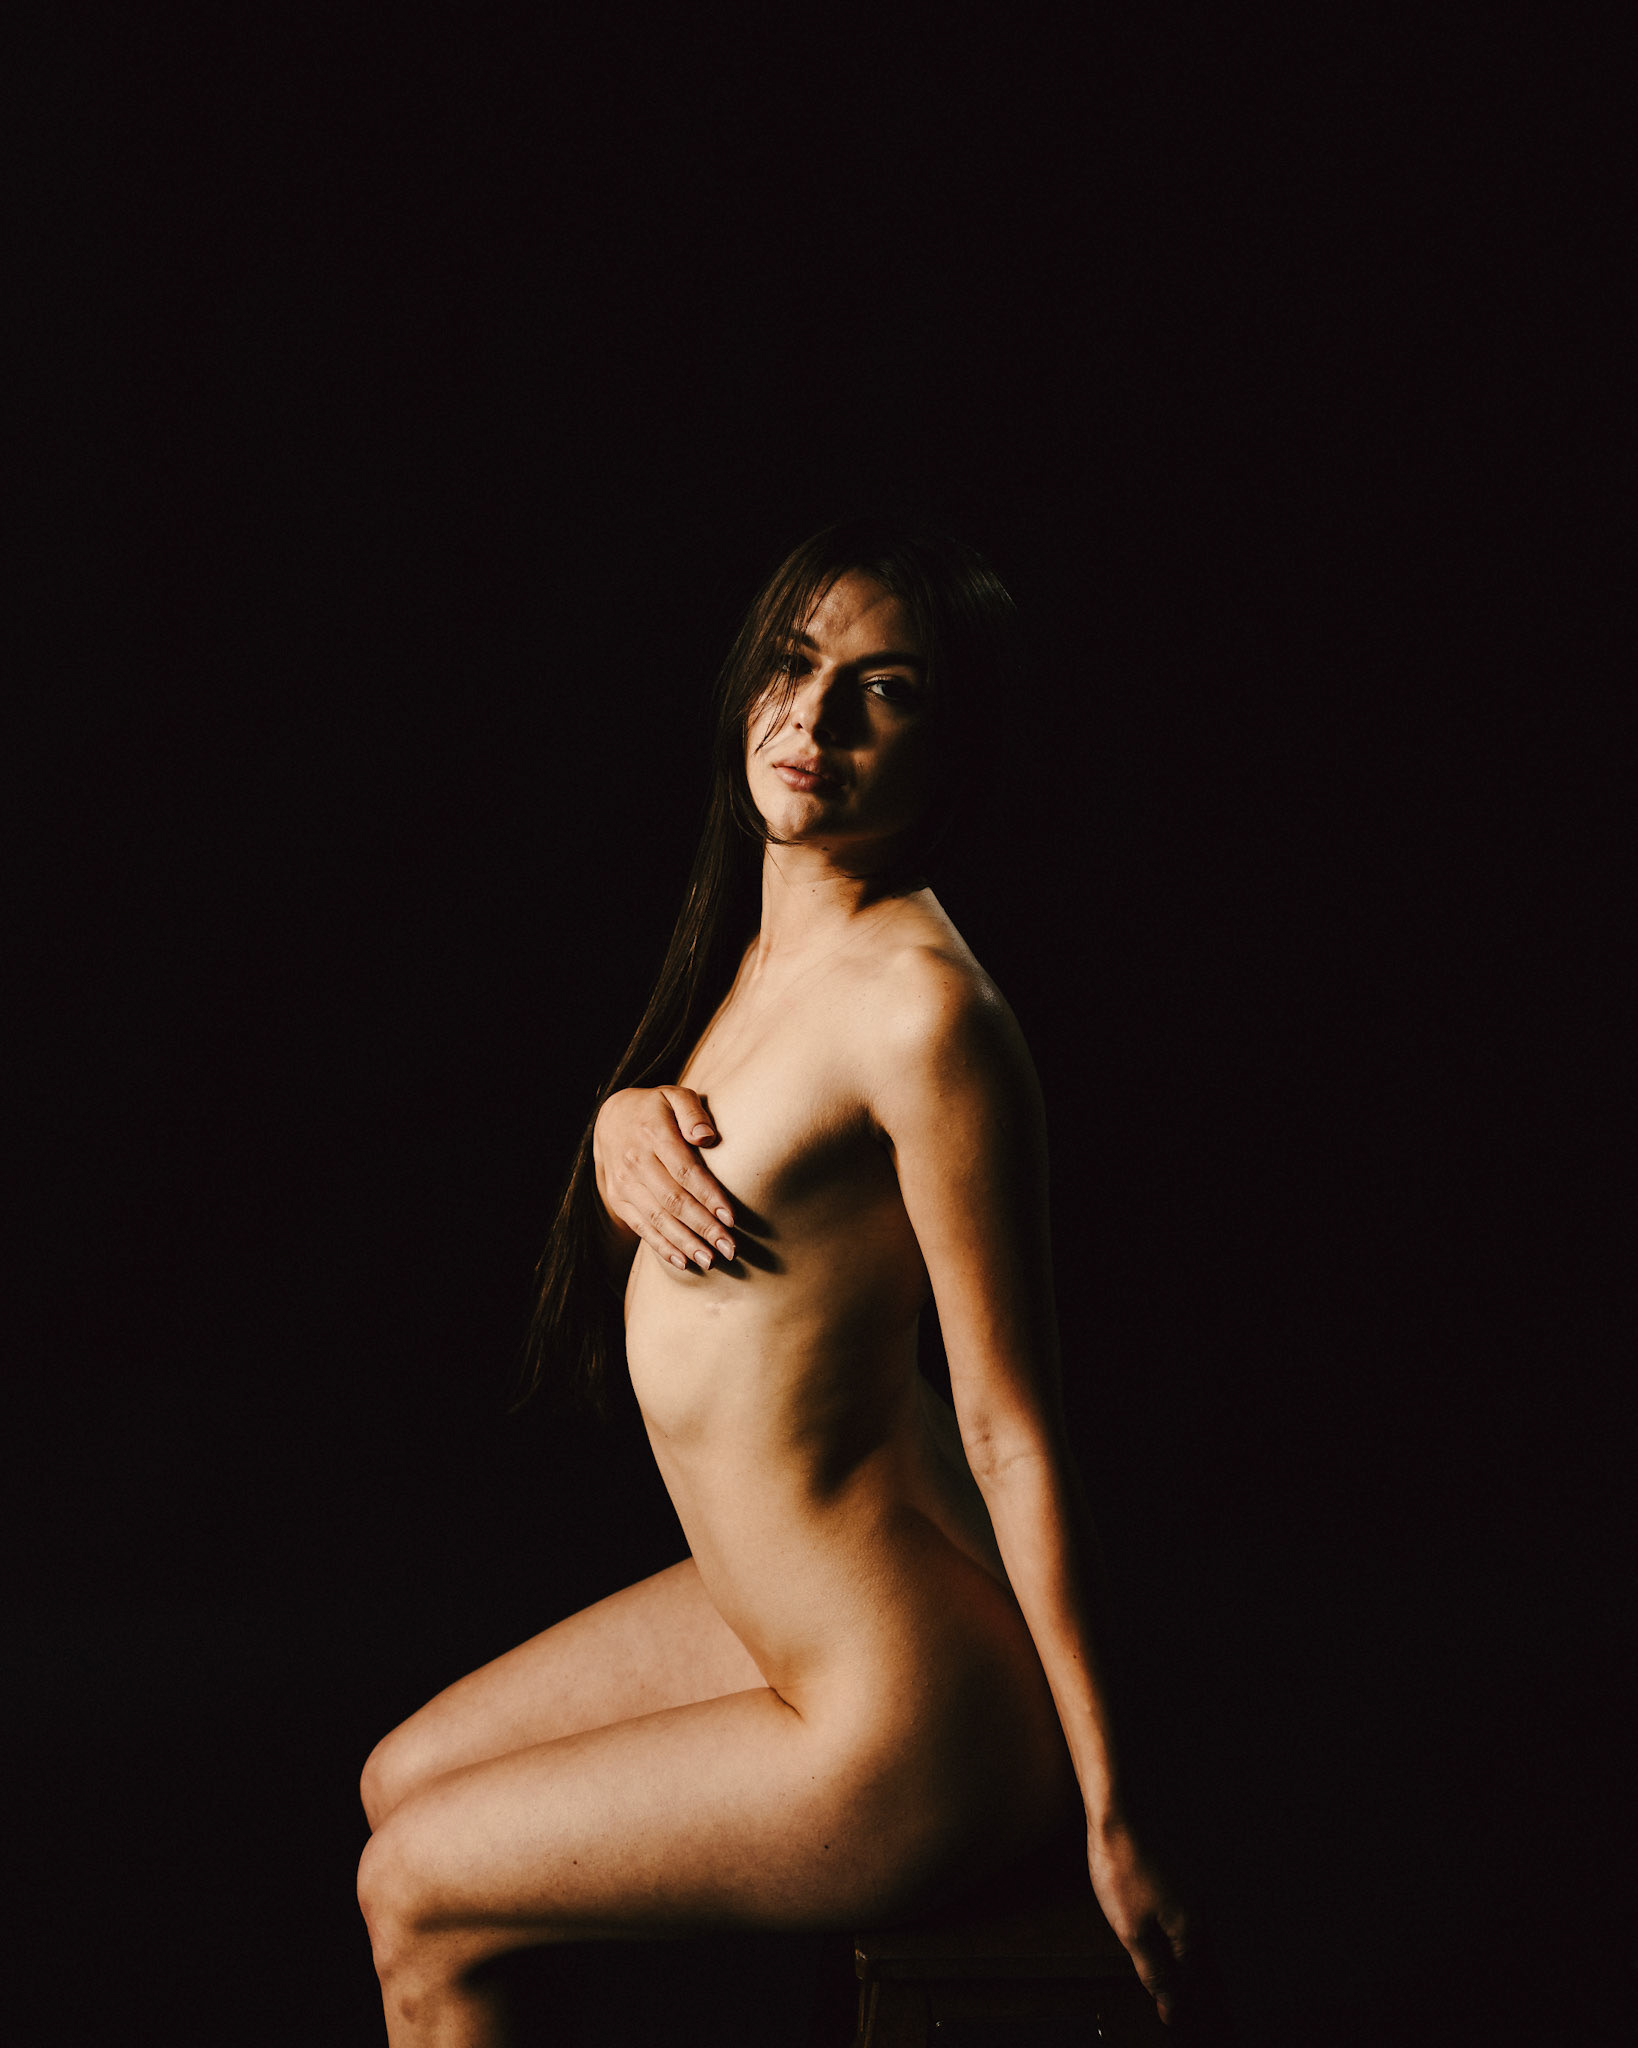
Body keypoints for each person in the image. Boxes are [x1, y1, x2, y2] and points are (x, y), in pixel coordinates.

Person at [356, 521, 1194, 2043]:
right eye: (795, 667)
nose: (816, 719)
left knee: (411, 1884)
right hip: (783, 1612)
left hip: (901, 1712)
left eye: (888, 690)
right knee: (396, 1782)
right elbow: (817, 1300)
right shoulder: (768, 951)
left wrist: (1112, 1801)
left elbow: (1006, 1427)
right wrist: (617, 1121)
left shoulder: (928, 1017)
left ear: (953, 745)